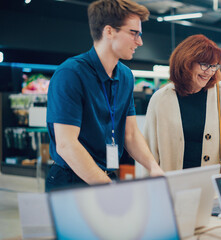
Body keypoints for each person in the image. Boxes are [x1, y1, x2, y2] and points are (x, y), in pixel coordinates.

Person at [45, 0, 163, 192]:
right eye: (134, 33)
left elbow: (131, 134)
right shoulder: (71, 74)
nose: (140, 41)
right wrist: (109, 187)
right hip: (70, 180)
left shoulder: (125, 76)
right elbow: (66, 145)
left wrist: (154, 167)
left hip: (105, 176)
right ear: (109, 31)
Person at [143, 34, 221, 173]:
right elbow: (150, 151)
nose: (209, 72)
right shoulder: (161, 99)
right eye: (204, 65)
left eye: (214, 66)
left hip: (211, 186)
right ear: (186, 63)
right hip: (173, 187)